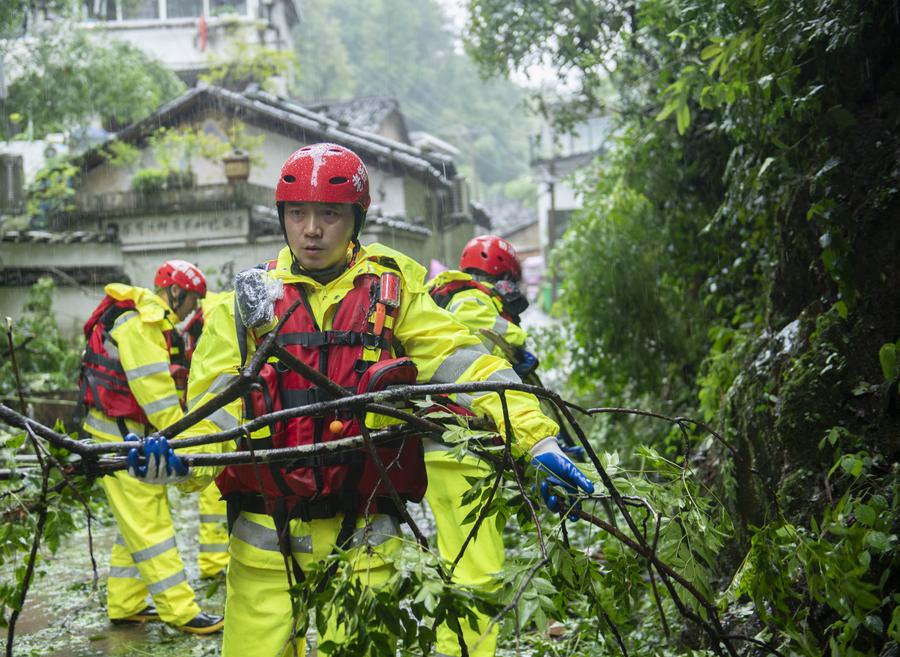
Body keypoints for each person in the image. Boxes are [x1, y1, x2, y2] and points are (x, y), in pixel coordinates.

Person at [126, 143, 593, 657]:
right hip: (263, 538)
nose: (311, 229)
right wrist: (174, 462)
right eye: (298, 213)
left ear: (356, 219)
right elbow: (209, 420)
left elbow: (472, 368)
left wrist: (539, 438)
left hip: (365, 545)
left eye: (329, 213)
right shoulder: (246, 304)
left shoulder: (393, 291)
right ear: (281, 217)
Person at [76, 260, 224, 634]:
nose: (193, 309)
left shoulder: (138, 316)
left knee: (135, 524)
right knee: (151, 523)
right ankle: (181, 611)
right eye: (192, 300)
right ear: (176, 291)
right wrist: (187, 435)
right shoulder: (143, 321)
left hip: (116, 433)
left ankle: (126, 603)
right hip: (119, 437)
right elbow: (155, 393)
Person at [423, 234, 542, 656]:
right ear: (501, 278)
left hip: (453, 448)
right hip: (461, 450)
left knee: (459, 564)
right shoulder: (470, 298)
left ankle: (454, 648)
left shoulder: (447, 296)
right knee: (479, 572)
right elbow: (474, 328)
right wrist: (516, 341)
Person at [183, 292, 231, 579]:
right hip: (213, 426)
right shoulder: (221, 314)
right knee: (214, 496)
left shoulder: (209, 316)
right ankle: (214, 564)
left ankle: (214, 562)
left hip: (206, 422)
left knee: (213, 497)